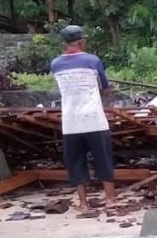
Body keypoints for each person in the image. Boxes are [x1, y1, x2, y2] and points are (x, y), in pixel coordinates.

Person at [50, 25, 117, 210]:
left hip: (71, 123)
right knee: (103, 160)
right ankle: (110, 200)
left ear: (64, 43)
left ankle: (83, 203)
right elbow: (104, 87)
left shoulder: (55, 64)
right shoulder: (92, 60)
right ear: (81, 42)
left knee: (76, 163)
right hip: (94, 120)